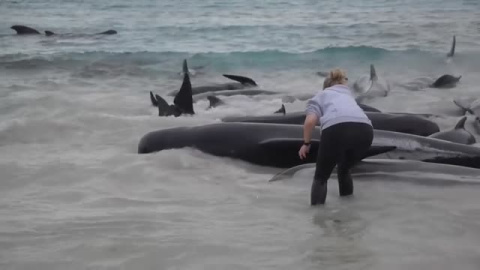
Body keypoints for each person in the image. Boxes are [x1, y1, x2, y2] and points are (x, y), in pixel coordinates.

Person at [298, 68, 374, 205]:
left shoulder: (321, 95)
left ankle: (317, 218)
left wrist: (306, 143)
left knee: (321, 177)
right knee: (344, 169)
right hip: (366, 131)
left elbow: (310, 122)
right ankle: (347, 209)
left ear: (326, 86)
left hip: (337, 129)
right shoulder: (349, 97)